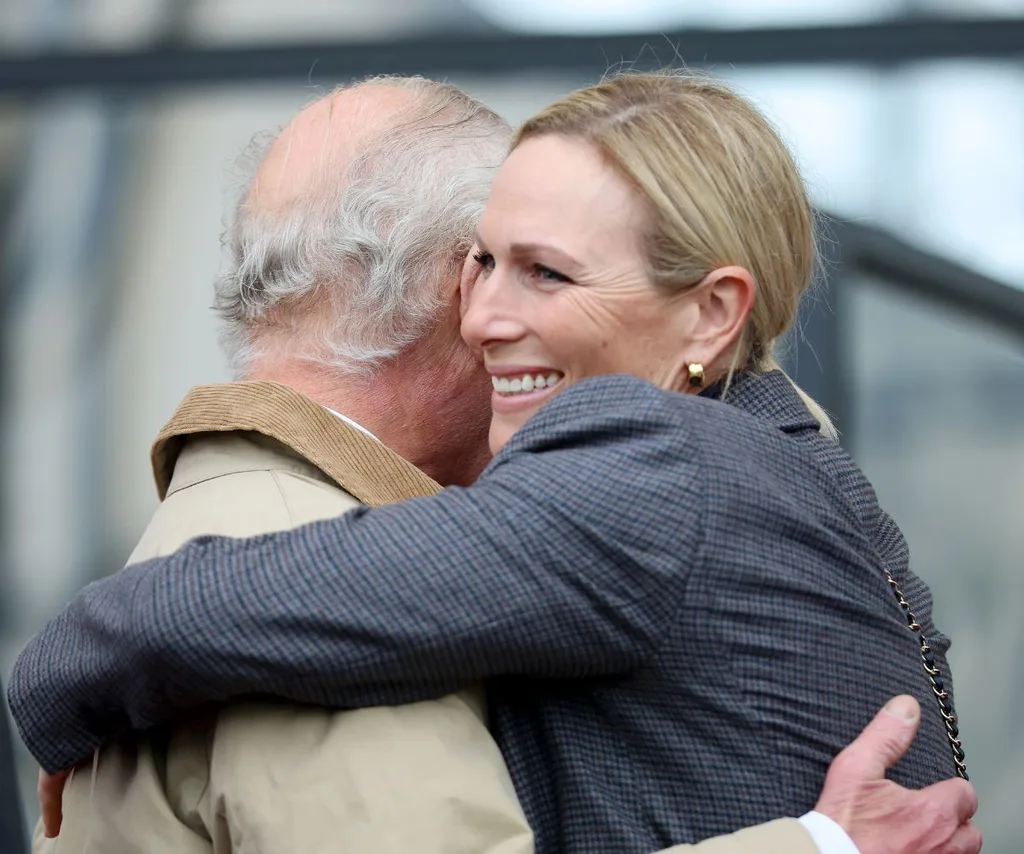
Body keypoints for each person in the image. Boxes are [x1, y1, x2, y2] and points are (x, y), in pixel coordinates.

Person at [9, 72, 980, 854]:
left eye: (547, 271)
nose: (479, 318)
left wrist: (63, 680)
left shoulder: (652, 462)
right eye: (480, 260)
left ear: (713, 312)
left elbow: (227, 606)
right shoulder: (789, 467)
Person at [29, 77, 533, 854]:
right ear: (466, 284)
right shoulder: (338, 598)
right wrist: (796, 841)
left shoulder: (238, 539)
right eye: (535, 269)